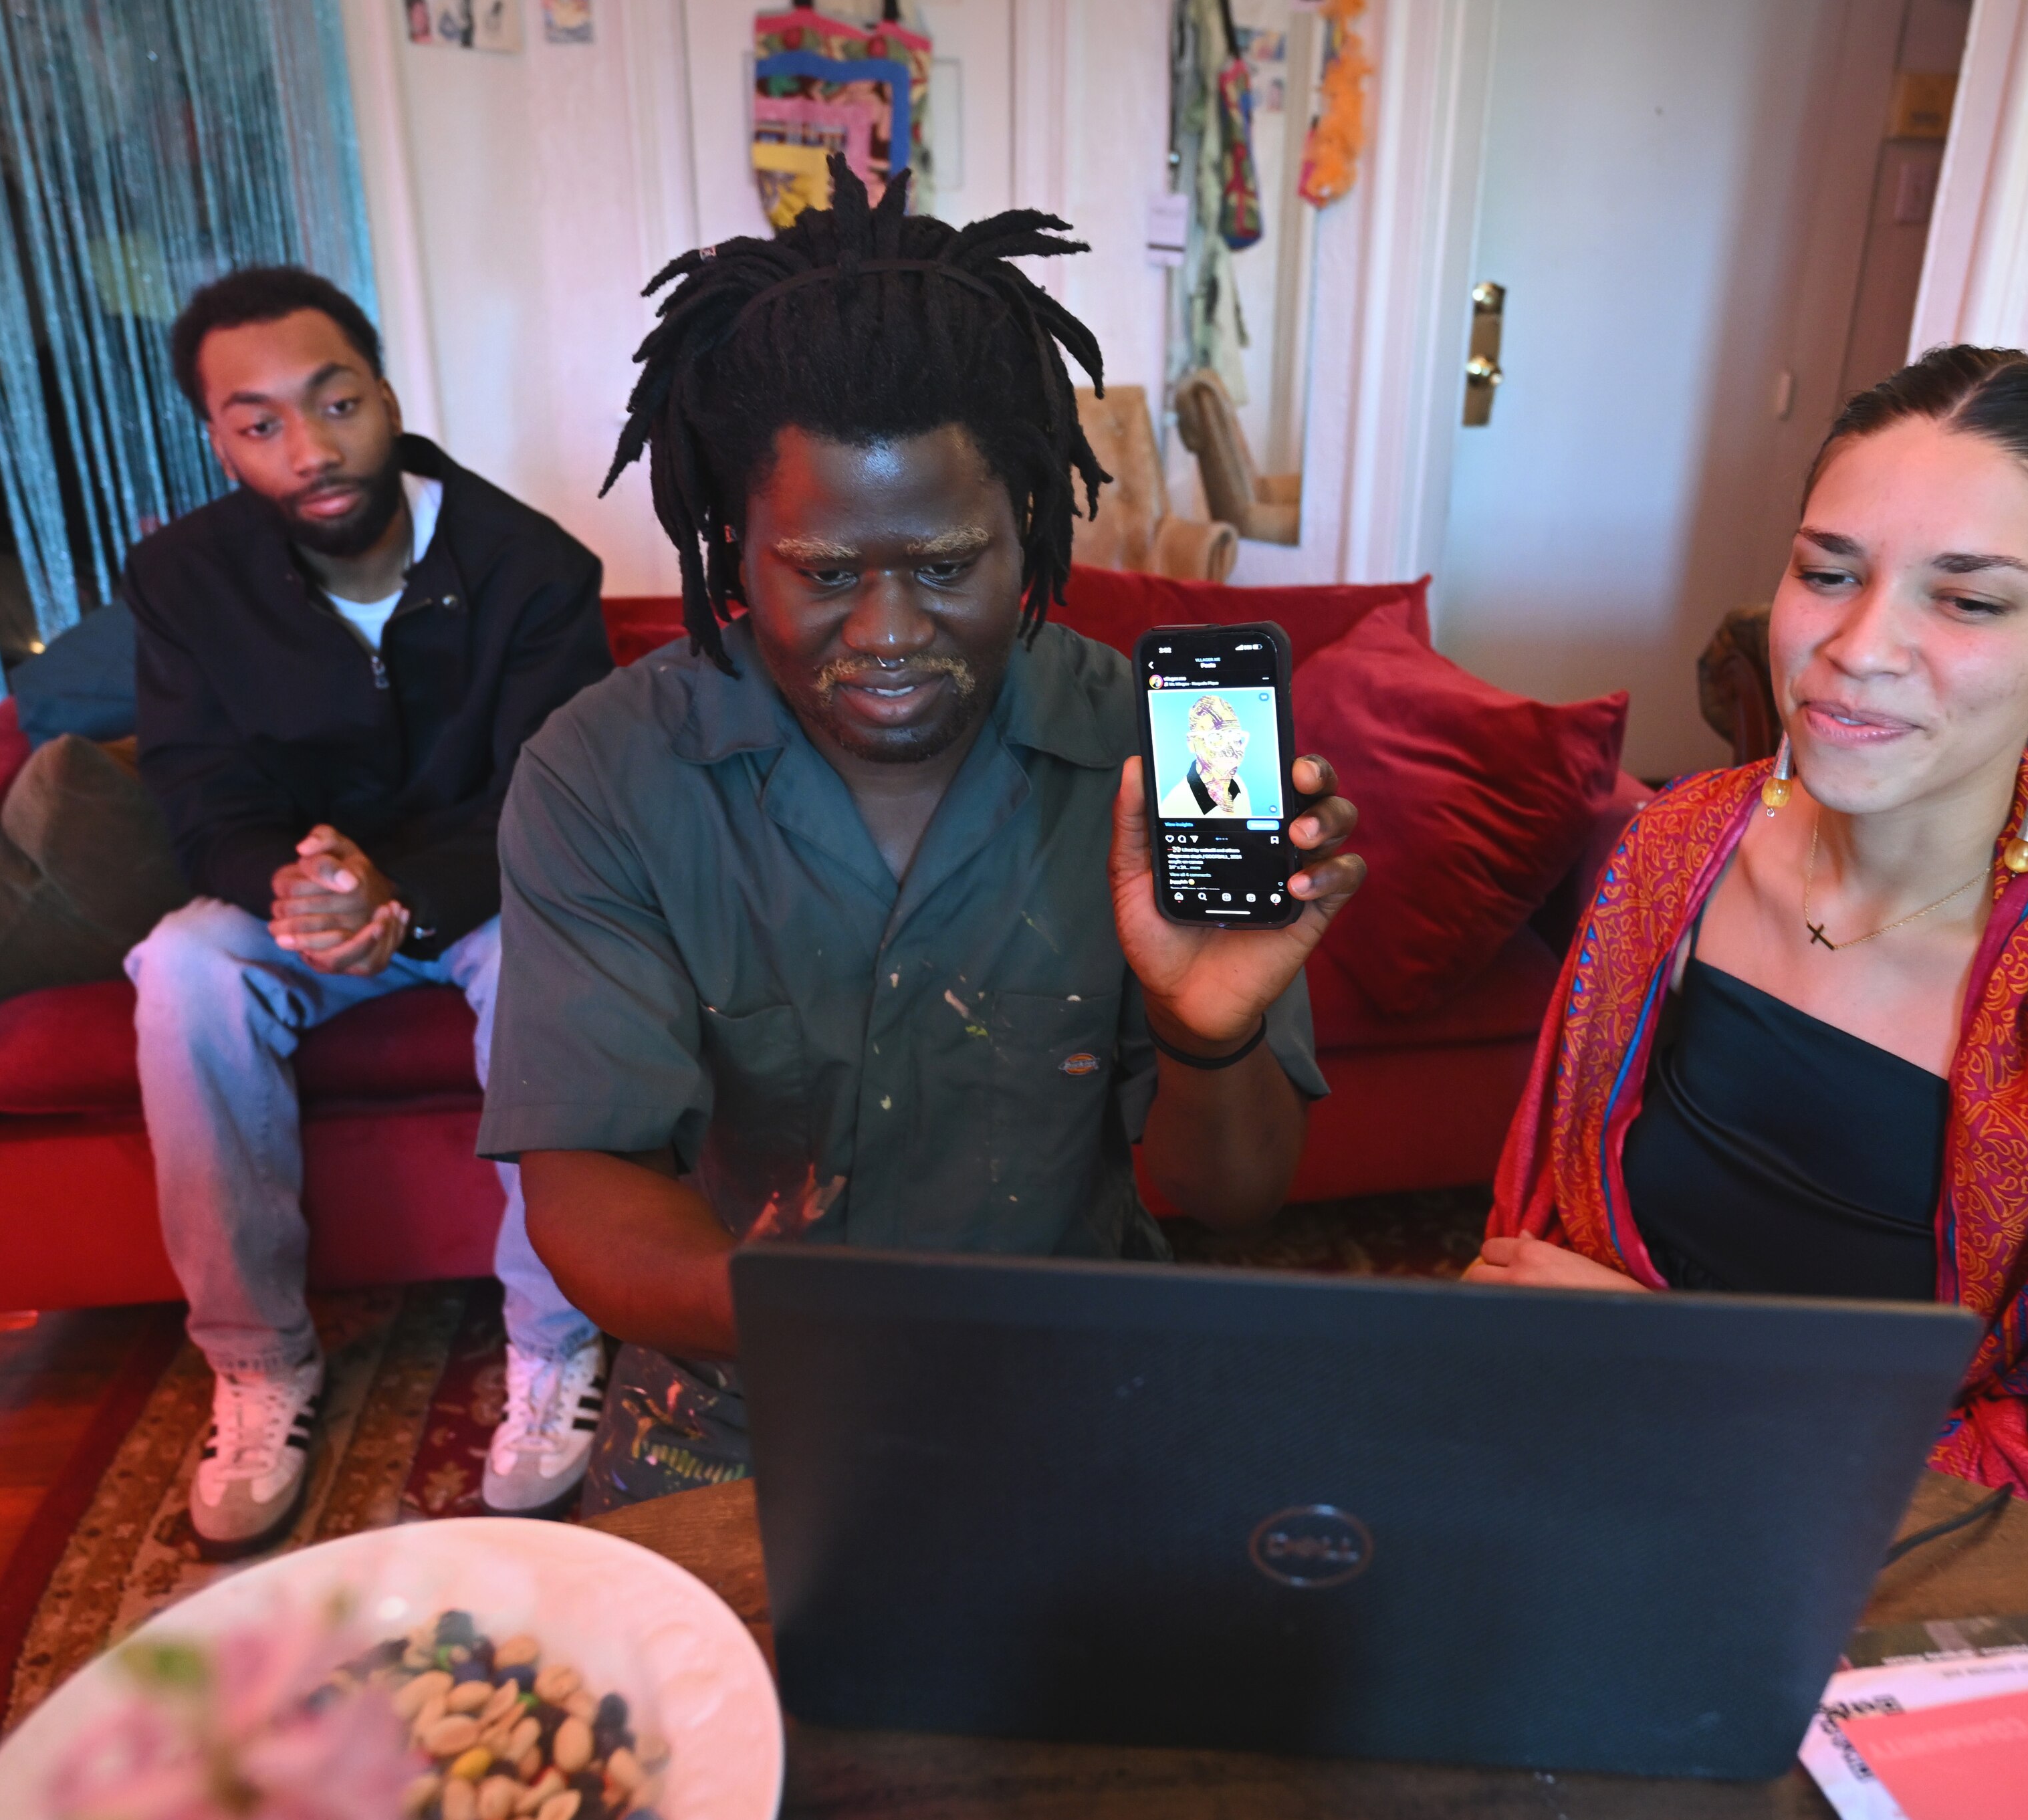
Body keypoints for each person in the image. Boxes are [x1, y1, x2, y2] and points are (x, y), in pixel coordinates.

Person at [479, 158, 1365, 1509]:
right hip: (737, 1402)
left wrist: (1208, 1029)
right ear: (733, 542)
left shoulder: (1154, 753)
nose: (891, 636)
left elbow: (1231, 1195)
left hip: (1078, 1386)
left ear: (1030, 525)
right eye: (828, 575)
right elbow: (587, 1192)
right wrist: (871, 1333)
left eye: (947, 567)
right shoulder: (604, 775)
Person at [1472, 347, 2028, 1585]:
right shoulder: (1674, 849)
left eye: (1968, 601)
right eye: (1828, 573)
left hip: (1893, 1592)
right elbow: (1539, 1231)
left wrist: (1661, 1370)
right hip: (1595, 1481)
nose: (1858, 646)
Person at [127, 266, 614, 1555]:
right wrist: (302, 890)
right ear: (220, 439)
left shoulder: (532, 569)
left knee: (550, 963)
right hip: (304, 902)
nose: (312, 448)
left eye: (335, 401)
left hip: (481, 894)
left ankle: (556, 1344)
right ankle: (258, 1364)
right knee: (181, 969)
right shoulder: (182, 581)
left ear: (387, 395)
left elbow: (552, 797)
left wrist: (406, 896)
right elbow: (196, 795)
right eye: (261, 424)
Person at [1157, 692, 1259, 817]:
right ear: (1192, 743)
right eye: (1216, 738)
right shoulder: (1175, 806)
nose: (1230, 749)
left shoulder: (1238, 785)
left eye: (1235, 737)